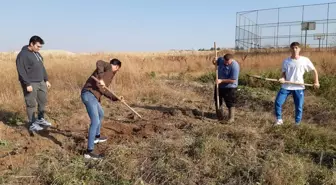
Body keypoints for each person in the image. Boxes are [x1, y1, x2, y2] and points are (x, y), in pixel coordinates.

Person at [81, 58, 123, 160]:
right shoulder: (108, 67)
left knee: (101, 114)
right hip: (88, 94)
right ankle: (89, 152)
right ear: (117, 67)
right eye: (118, 69)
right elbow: (99, 62)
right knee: (95, 121)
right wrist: (100, 78)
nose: (117, 71)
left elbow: (104, 91)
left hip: (94, 97)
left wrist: (116, 98)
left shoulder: (110, 77)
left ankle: (97, 137)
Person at [274, 42, 320, 125]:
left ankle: (297, 123)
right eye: (293, 48)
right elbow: (284, 74)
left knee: (298, 107)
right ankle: (279, 120)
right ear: (290, 49)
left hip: (299, 87)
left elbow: (314, 71)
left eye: (296, 48)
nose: (294, 49)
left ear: (299, 49)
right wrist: (282, 78)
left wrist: (316, 82)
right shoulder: (286, 61)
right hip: (286, 86)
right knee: (278, 102)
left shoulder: (305, 60)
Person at [15, 35, 52, 132]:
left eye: (40, 47)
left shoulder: (37, 54)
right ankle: (32, 124)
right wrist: (27, 84)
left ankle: (40, 119)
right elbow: (21, 71)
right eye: (38, 46)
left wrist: (46, 79)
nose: (39, 49)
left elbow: (41, 67)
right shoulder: (23, 55)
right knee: (31, 104)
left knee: (42, 101)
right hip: (31, 83)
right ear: (31, 44)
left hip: (41, 82)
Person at [213, 53, 240, 123]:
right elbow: (215, 63)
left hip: (230, 87)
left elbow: (233, 80)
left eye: (228, 62)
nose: (226, 63)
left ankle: (231, 118)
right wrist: (214, 61)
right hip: (219, 85)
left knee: (230, 102)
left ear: (231, 60)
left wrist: (221, 80)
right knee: (218, 100)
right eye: (225, 62)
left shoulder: (235, 66)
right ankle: (219, 116)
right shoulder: (221, 60)